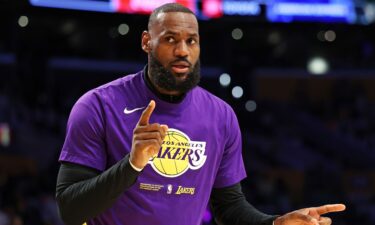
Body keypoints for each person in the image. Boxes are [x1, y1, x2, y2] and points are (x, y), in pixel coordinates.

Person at [55, 3, 345, 225]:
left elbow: (229, 207)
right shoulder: (97, 106)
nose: (183, 51)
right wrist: (132, 164)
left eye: (191, 41)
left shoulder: (221, 116)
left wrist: (274, 222)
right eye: (170, 39)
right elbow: (70, 209)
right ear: (146, 42)